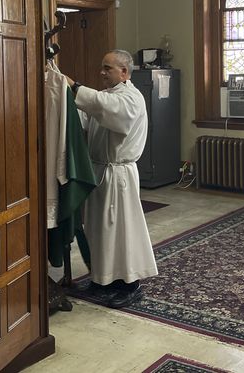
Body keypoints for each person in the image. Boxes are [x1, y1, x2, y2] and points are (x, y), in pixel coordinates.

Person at [64, 49, 158, 308]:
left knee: (121, 230)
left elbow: (107, 110)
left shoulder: (131, 98)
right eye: (102, 67)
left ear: (124, 72)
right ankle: (102, 279)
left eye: (108, 68)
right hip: (100, 171)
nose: (102, 72)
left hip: (119, 174)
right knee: (99, 229)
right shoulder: (105, 96)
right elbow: (87, 113)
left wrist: (74, 87)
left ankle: (130, 284)